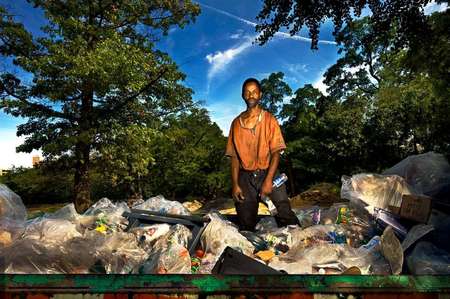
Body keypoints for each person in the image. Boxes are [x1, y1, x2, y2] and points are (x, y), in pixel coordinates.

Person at [225, 78, 300, 231]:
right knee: (246, 221)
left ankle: (297, 242)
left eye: (254, 92)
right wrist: (235, 185)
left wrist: (268, 181)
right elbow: (234, 157)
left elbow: (276, 152)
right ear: (242, 96)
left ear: (260, 95)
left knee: (283, 210)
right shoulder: (235, 124)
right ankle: (254, 249)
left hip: (268, 171)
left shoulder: (269, 119)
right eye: (247, 92)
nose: (250, 95)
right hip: (245, 176)